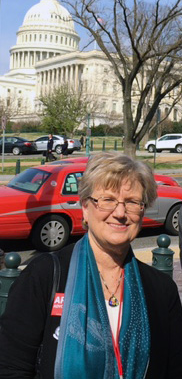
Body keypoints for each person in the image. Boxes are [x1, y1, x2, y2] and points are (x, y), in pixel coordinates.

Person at [0, 152, 182, 379]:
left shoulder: (161, 289)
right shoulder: (44, 276)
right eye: (107, 200)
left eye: (133, 202)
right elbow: (11, 368)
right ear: (86, 208)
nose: (120, 213)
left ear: (143, 211)